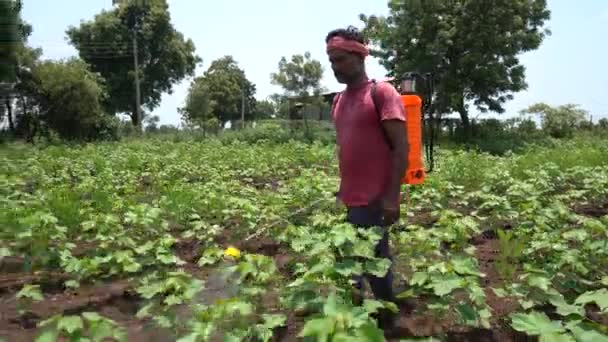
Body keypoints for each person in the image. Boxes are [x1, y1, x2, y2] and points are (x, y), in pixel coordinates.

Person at [326, 25, 409, 331]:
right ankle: (361, 322)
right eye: (331, 61)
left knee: (374, 265)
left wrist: (392, 197)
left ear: (359, 57)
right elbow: (348, 148)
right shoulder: (339, 100)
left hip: (375, 200)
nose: (335, 67)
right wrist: (341, 187)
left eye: (341, 60)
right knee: (354, 265)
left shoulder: (382, 93)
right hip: (352, 198)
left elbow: (402, 148)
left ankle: (389, 322)